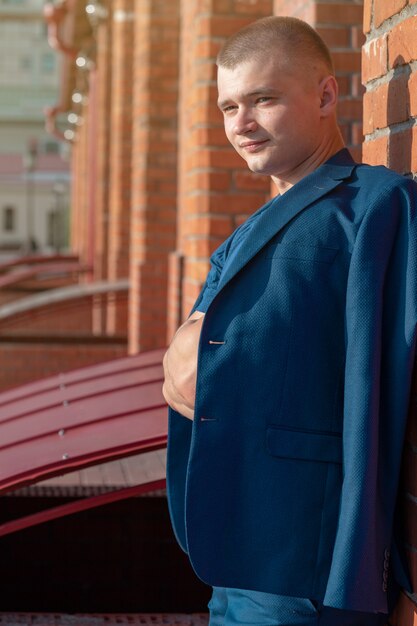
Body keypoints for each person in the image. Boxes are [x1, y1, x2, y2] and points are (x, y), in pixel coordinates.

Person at [162, 16, 417, 626]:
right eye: (228, 106)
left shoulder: (375, 205)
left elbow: (390, 386)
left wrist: (380, 575)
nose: (241, 124)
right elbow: (179, 369)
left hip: (310, 559)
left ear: (327, 96)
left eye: (263, 99)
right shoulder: (246, 232)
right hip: (232, 548)